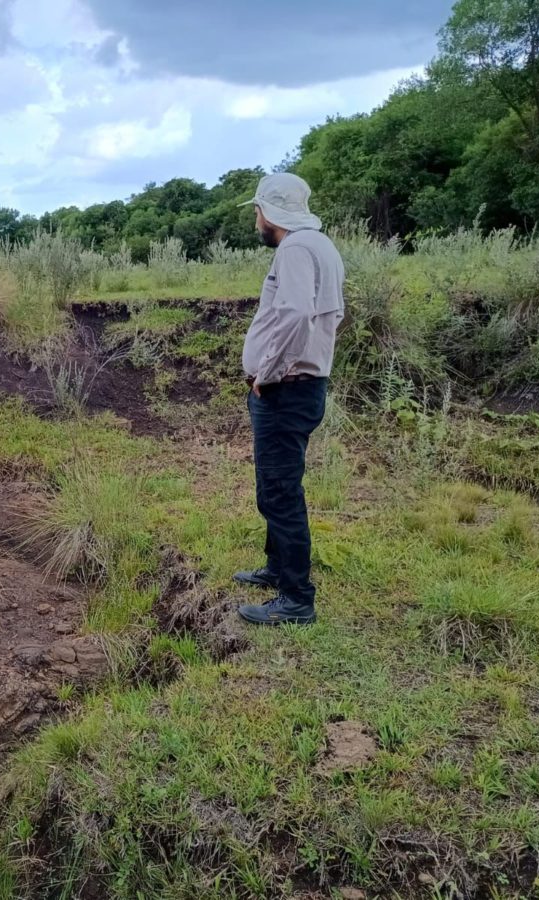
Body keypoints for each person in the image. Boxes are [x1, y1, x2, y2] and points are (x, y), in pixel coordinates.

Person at [234, 173, 345, 626]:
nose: (256, 220)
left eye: (257, 211)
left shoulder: (296, 248)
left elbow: (297, 314)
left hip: (287, 389)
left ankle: (296, 598)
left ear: (271, 212)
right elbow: (331, 315)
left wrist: (270, 372)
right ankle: (278, 567)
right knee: (275, 485)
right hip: (300, 386)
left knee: (280, 493)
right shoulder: (321, 246)